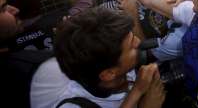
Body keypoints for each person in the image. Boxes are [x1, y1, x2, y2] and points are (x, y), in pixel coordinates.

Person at [30, 8, 165, 108]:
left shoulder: (118, 66)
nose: (138, 42)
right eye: (131, 46)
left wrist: (137, 90)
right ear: (108, 74)